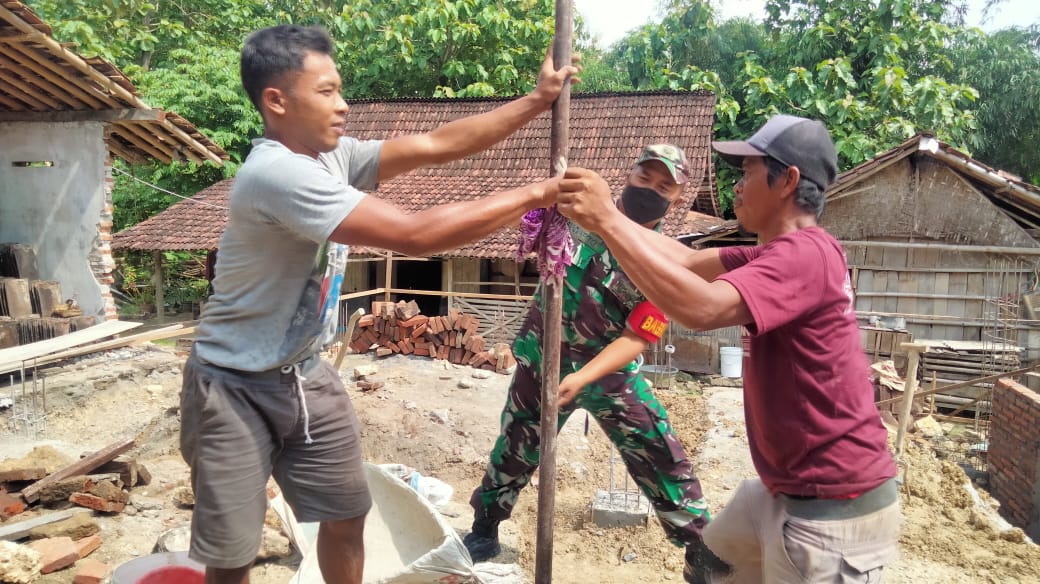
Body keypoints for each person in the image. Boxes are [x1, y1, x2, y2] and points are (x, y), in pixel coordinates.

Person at [180, 24, 579, 584]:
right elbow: (414, 234)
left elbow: (440, 145)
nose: (343, 105)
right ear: (276, 100)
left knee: (347, 513)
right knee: (234, 553)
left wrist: (537, 102)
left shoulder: (331, 156)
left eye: (341, 89)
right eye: (326, 92)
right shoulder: (275, 172)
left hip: (304, 372)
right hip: (231, 385)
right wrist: (536, 195)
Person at [556, 115, 900, 583]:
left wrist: (605, 222)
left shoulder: (806, 255)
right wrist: (609, 219)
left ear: (789, 180)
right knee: (708, 565)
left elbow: (701, 308)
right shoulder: (778, 252)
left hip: (832, 509)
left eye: (748, 173)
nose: (736, 186)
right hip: (783, 490)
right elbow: (688, 262)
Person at [464, 144, 727, 584]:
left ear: (678, 197)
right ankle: (485, 526)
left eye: (665, 187)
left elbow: (638, 336)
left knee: (659, 450)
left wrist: (582, 377)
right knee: (514, 447)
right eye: (646, 178)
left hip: (610, 374)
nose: (651, 190)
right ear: (630, 173)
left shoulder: (669, 259)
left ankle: (700, 548)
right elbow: (545, 201)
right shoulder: (578, 215)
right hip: (540, 360)